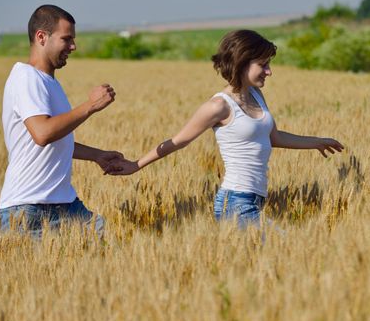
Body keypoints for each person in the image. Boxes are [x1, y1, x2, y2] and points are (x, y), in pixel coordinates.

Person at [107, 30, 344, 229]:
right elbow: (178, 141)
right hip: (236, 202)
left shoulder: (256, 94)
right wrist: (135, 165)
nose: (269, 71)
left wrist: (317, 142)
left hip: (256, 199)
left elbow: (274, 137)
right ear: (242, 62)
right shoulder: (218, 105)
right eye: (263, 64)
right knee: (283, 251)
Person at [0, 5, 122, 237]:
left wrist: (96, 155)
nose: (73, 46)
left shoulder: (49, 82)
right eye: (66, 39)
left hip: (64, 203)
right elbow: (43, 133)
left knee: (110, 259)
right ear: (41, 37)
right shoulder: (27, 77)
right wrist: (91, 106)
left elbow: (54, 139)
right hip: (29, 208)